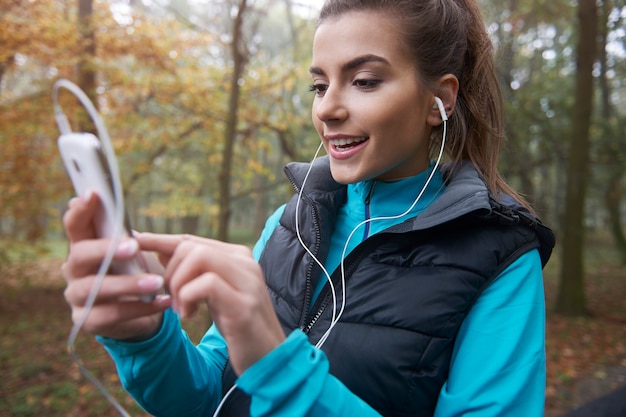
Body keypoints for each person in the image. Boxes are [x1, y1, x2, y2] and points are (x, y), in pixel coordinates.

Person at [61, 0, 556, 416]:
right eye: (319, 85)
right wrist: (147, 337)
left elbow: (267, 370)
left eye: (363, 81)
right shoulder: (289, 222)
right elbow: (213, 394)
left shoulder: (500, 258)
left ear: (438, 101)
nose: (327, 108)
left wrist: (277, 364)